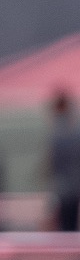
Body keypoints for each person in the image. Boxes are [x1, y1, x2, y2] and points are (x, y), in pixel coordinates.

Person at [51, 91, 80, 234]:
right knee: (69, 229)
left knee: (67, 229)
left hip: (66, 188)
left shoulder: (58, 133)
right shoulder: (66, 130)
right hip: (68, 187)